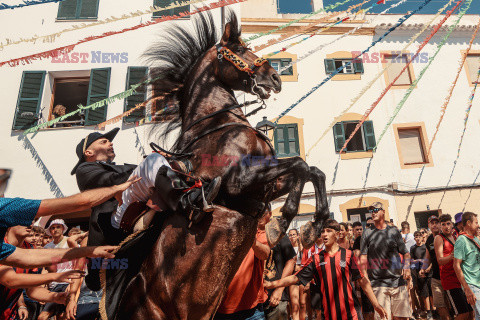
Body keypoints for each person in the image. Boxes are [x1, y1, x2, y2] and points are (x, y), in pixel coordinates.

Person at [72, 128, 221, 290]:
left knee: (159, 164)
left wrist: (168, 165)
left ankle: (192, 194)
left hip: (129, 199)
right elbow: (112, 181)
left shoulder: (115, 166)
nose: (110, 142)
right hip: (115, 217)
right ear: (89, 152)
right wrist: (159, 165)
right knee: (153, 160)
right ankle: (188, 201)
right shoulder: (84, 170)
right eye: (104, 141)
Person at [0, 174, 139, 268]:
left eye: (58, 227)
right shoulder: (3, 206)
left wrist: (86, 251)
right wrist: (116, 188)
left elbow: (27, 258)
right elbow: (78, 203)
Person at [265, 219, 387, 320]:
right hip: (328, 315)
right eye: (322, 231)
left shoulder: (349, 255)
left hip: (351, 314)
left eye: (328, 231)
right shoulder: (316, 259)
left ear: (337, 234)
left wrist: (376, 304)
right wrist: (272, 284)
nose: (324, 234)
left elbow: (362, 281)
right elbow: (295, 277)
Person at [0, 226, 84, 320]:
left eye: (31, 220)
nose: (29, 225)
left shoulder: (30, 248)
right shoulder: (2, 245)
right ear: (9, 223)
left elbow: (32, 290)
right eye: (23, 216)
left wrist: (54, 297)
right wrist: (54, 276)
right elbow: (10, 280)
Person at [214, 206, 272, 320]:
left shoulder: (261, 233)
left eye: (262, 211)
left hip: (251, 308)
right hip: (221, 307)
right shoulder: (223, 231)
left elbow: (265, 254)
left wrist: (250, 238)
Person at [360, 202, 412, 320]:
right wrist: (365, 276)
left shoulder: (393, 231)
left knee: (402, 318)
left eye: (376, 210)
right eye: (371, 211)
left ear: (383, 211)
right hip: (378, 284)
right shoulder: (367, 233)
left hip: (398, 281)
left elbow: (406, 253)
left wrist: (407, 267)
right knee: (384, 317)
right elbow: (363, 258)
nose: (373, 213)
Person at [434, 214, 473, 320]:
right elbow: (440, 261)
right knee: (463, 314)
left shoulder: (455, 236)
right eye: (443, 224)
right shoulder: (439, 238)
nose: (446, 226)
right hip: (450, 281)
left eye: (448, 223)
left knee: (471, 313)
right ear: (440, 226)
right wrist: (452, 255)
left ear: (452, 224)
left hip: (461, 279)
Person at [38, 220, 76, 320]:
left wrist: (72, 285)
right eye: (53, 228)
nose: (55, 230)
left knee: (65, 316)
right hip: (53, 285)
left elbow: (79, 264)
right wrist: (43, 285)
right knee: (43, 317)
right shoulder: (47, 247)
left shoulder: (70, 242)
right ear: (50, 230)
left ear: (63, 228)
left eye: (58, 227)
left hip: (67, 283)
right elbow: (45, 268)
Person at [65, 235, 102, 320]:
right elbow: (77, 272)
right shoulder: (87, 240)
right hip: (87, 298)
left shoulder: (115, 238)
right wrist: (72, 300)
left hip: (110, 297)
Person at [264, 223, 296, 320]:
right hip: (255, 300)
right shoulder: (251, 233)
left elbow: (291, 260)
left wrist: (279, 289)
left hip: (276, 297)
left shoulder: (277, 232)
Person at [421, 216, 449, 320]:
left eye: (436, 222)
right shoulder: (429, 239)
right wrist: (423, 268)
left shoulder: (446, 236)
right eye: (431, 223)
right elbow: (427, 257)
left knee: (451, 304)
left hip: (449, 276)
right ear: (428, 225)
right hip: (436, 277)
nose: (434, 225)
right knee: (439, 304)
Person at [454, 212, 480, 320]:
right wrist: (467, 288)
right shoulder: (461, 240)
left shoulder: (475, 239)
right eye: (476, 222)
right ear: (468, 223)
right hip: (472, 286)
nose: (478, 225)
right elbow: (456, 265)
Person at [410, 231, 433, 320]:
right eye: (416, 237)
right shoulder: (413, 248)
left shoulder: (425, 246)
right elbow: (411, 260)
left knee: (431, 293)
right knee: (424, 293)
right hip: (418, 272)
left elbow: (429, 258)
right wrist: (420, 260)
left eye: (419, 236)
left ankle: (434, 311)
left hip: (428, 271)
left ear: (422, 237)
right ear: (414, 238)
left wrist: (427, 265)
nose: (418, 238)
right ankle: (428, 311)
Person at [287, 229, 302, 320]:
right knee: (293, 303)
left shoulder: (302, 248)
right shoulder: (287, 248)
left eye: (294, 234)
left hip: (301, 275)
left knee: (302, 303)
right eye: (290, 235)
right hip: (290, 276)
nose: (292, 237)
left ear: (297, 236)